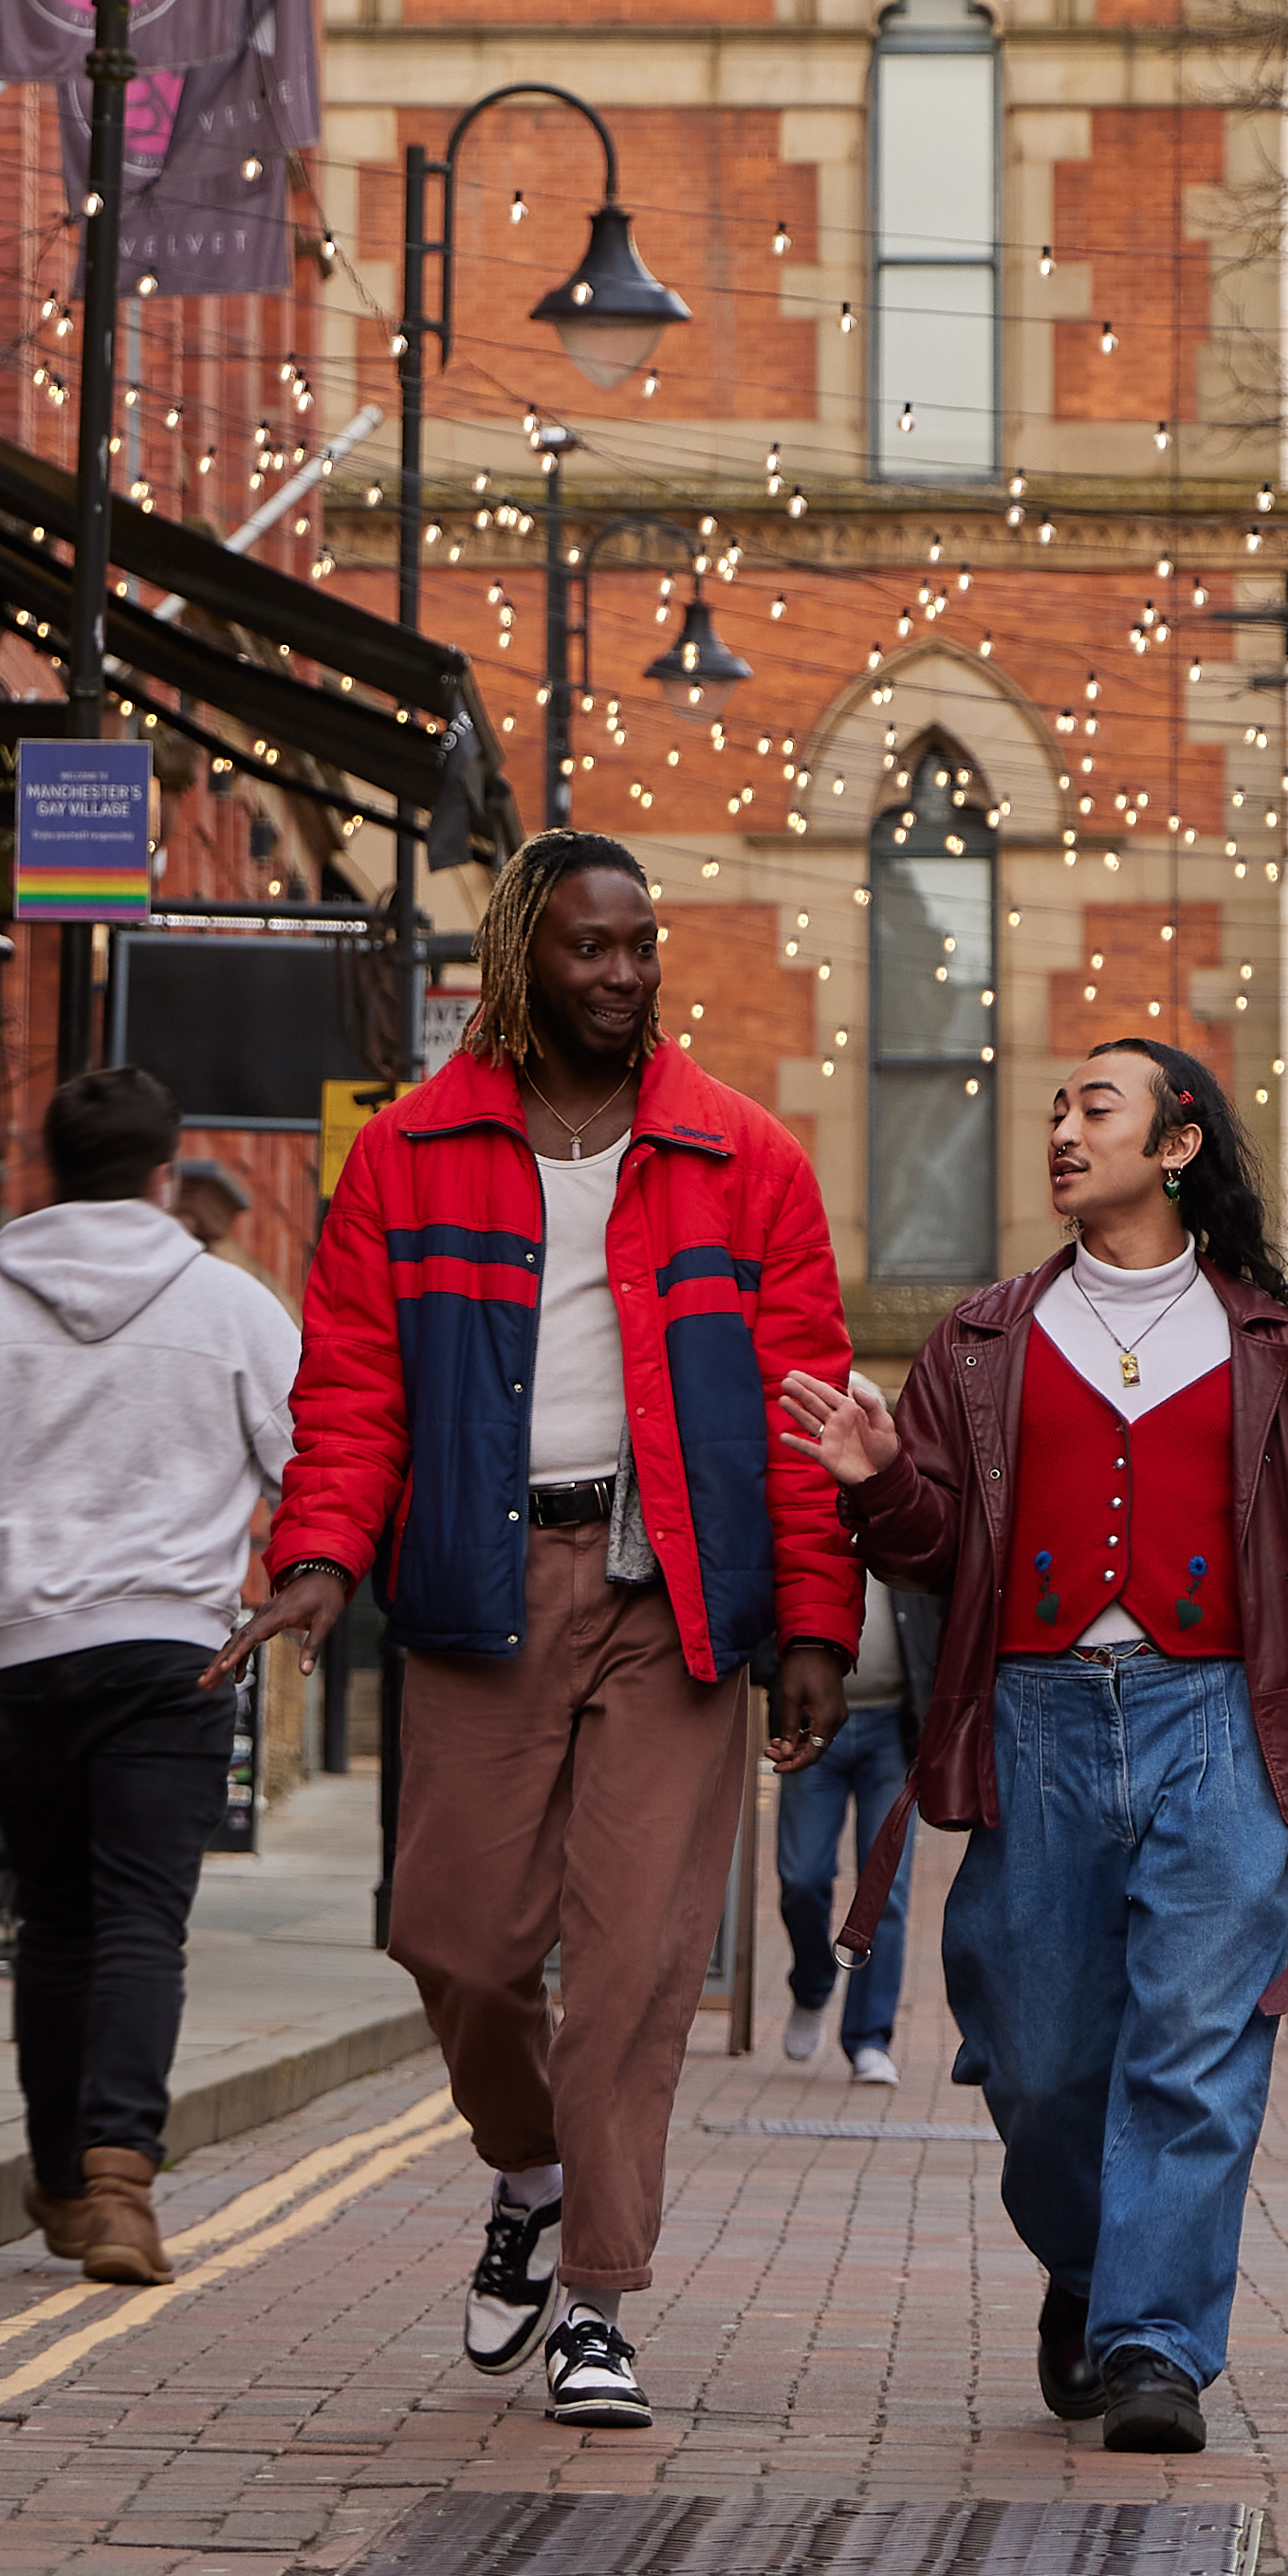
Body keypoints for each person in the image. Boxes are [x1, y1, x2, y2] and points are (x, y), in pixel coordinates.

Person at [782, 1036, 1288, 2462]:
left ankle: (1156, 2343)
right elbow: (939, 1556)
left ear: (1177, 1145)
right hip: (1033, 1714)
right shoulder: (981, 1338)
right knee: (1036, 2055)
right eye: (1054, 1108)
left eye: (1096, 1105)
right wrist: (877, 1482)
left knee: (1196, 2047)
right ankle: (1092, 2271)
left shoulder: (1280, 1353)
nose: (1061, 1126)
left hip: (1222, 1716)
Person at [257, 832, 850, 2435]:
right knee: (452, 1936)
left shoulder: (746, 1160)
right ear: (523, 953)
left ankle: (597, 2301)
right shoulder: (409, 1154)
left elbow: (803, 1416)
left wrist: (814, 1617)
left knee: (641, 1960)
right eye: (590, 946)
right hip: (482, 1580)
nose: (622, 972)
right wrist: (317, 1555)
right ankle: (525, 2168)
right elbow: (354, 1389)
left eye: (640, 945)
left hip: (675, 1594)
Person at [0, 1061, 298, 2290]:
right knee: (144, 1916)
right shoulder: (232, 1305)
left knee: (56, 1920)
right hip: (175, 1655)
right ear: (164, 1172)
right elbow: (319, 1451)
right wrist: (306, 1575)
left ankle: (52, 2169)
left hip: (28, 1658)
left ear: (52, 1171)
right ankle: (118, 2181)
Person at [779, 1561, 929, 2079]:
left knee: (885, 1891)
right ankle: (814, 1983)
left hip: (894, 1727)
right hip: (814, 1721)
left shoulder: (905, 1502)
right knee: (802, 1877)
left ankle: (869, 2037)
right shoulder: (813, 1505)